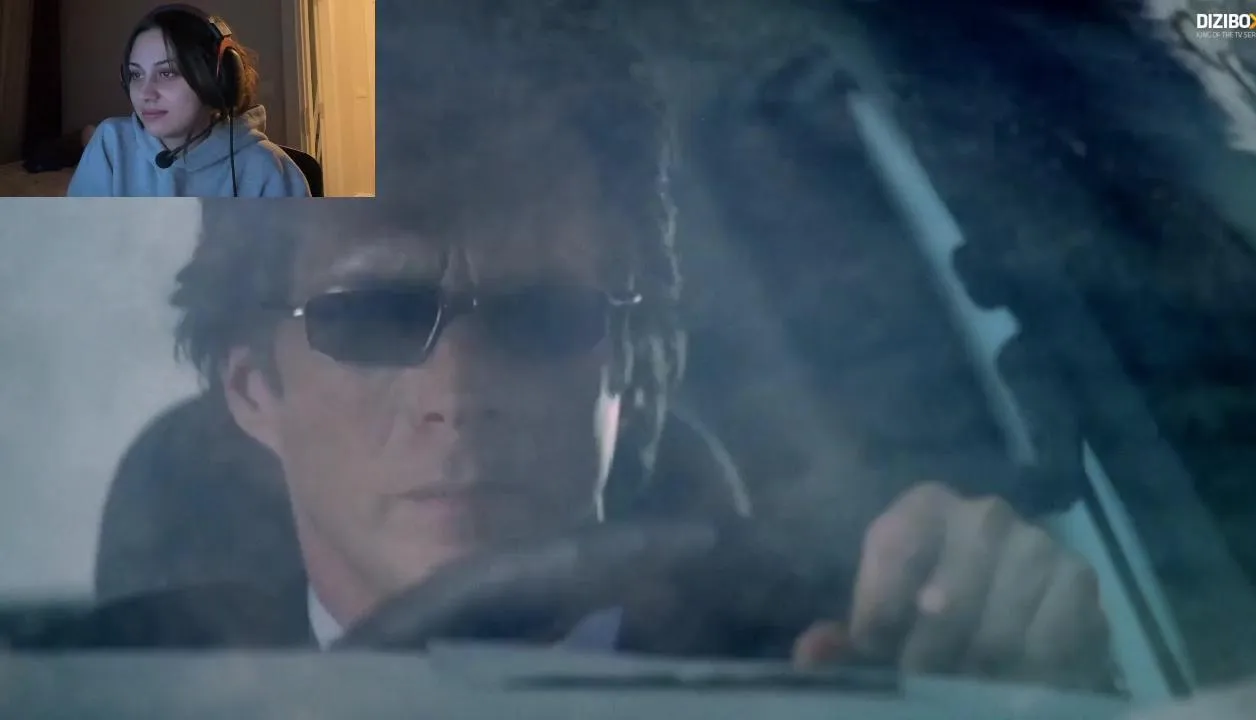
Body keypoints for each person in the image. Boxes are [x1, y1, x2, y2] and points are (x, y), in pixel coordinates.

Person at [40, 1, 1110, 691]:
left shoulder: (836, 662)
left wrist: (1010, 675)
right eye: (371, 318)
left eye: (544, 317)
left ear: (631, 370)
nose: (460, 388)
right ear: (250, 388)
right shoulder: (102, 695)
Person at [66, 4, 309, 198]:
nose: (145, 93)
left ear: (215, 78)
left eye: (167, 73)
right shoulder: (111, 145)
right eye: (136, 75)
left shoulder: (269, 170)